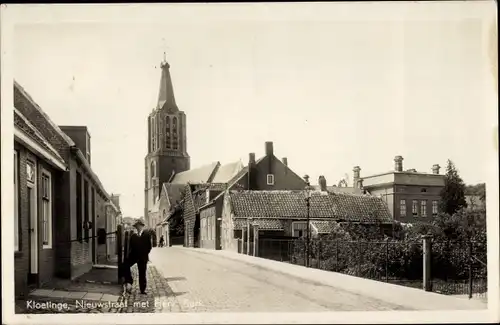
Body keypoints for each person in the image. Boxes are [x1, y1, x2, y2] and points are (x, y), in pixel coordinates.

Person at [122, 219, 152, 294]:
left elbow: (149, 247)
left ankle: (142, 289)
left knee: (142, 273)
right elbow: (131, 247)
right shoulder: (133, 236)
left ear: (141, 226)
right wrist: (131, 255)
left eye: (138, 226)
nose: (137, 227)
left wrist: (144, 254)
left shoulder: (147, 234)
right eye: (136, 226)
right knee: (125, 264)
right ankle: (129, 281)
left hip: (143, 257)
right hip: (134, 256)